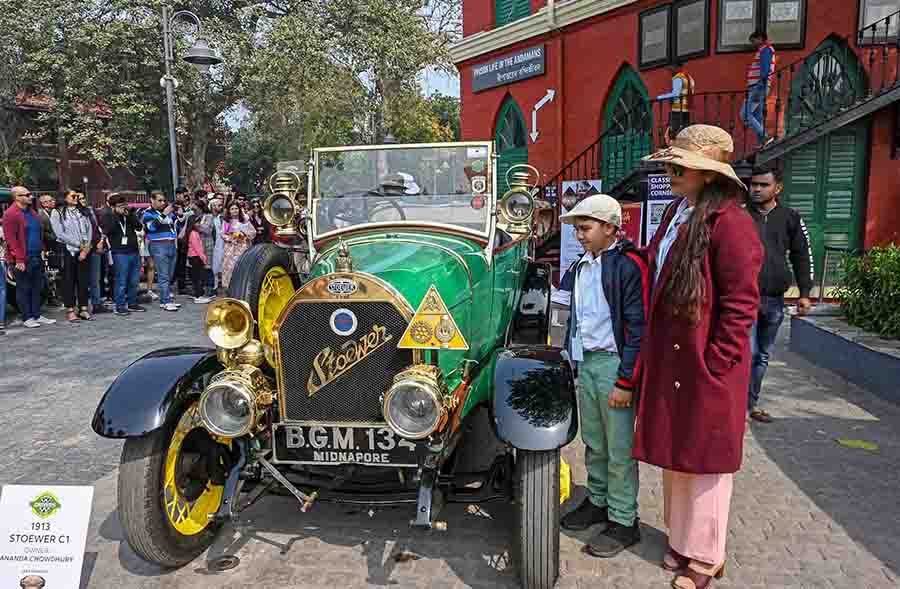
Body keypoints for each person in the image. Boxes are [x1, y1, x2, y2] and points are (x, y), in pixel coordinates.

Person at [635, 125, 763, 588]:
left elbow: (742, 303)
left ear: (708, 174)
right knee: (678, 454)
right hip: (674, 359)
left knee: (706, 461)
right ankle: (682, 540)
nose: (670, 172)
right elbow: (655, 262)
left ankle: (706, 557)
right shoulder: (676, 211)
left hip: (705, 364)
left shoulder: (732, 223)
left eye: (680, 166)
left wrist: (718, 361)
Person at [558, 194, 649, 558]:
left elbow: (638, 327)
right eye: (578, 229)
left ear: (610, 228)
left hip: (614, 365)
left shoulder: (628, 266)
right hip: (589, 363)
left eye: (586, 228)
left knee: (620, 449)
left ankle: (625, 520)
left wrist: (626, 380)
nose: (579, 235)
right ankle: (598, 501)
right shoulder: (582, 266)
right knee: (594, 441)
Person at [746, 164, 813, 423]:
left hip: (774, 300)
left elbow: (801, 256)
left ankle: (751, 404)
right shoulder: (741, 215)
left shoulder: (790, 217)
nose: (757, 189)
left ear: (778, 188)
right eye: (754, 184)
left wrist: (804, 293)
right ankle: (737, 405)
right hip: (745, 299)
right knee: (748, 353)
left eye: (764, 185)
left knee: (763, 354)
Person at [2, 187, 56, 328]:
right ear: (17, 197)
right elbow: (11, 239)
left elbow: (39, 233)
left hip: (36, 255)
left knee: (37, 286)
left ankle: (37, 314)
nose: (30, 196)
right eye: (27, 195)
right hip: (22, 258)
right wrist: (18, 259)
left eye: (30, 194)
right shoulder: (10, 214)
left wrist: (43, 250)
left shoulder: (32, 212)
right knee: (24, 288)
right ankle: (27, 317)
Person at [51, 190, 94, 322]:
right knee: (68, 280)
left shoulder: (83, 211)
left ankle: (83, 308)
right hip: (67, 250)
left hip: (83, 250)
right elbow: (59, 233)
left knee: (83, 280)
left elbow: (89, 229)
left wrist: (86, 248)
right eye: (73, 196)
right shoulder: (57, 212)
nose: (76, 198)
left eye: (77, 196)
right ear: (65, 198)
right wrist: (78, 245)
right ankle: (70, 309)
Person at [101, 194, 146, 316]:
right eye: (120, 206)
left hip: (133, 250)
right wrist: (117, 215)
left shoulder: (129, 215)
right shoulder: (108, 216)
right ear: (113, 207)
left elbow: (139, 226)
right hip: (119, 252)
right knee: (121, 280)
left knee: (134, 280)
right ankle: (120, 305)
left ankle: (132, 303)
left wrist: (130, 215)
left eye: (124, 205)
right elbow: (108, 230)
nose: (123, 207)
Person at [142, 192, 181, 312]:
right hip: (158, 245)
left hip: (171, 244)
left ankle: (166, 297)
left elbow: (177, 223)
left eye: (164, 200)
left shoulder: (166, 213)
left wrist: (178, 214)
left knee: (169, 274)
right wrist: (164, 214)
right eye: (159, 200)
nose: (163, 203)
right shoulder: (148, 213)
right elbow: (151, 227)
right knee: (163, 275)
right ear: (152, 200)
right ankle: (165, 301)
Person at [740, 30, 777, 146]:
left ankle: (765, 137)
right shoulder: (765, 50)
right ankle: (762, 142)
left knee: (745, 114)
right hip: (759, 85)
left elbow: (765, 69)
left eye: (753, 41)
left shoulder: (766, 49)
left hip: (758, 86)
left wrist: (760, 85)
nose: (753, 44)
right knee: (757, 116)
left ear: (760, 38)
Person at [657, 61, 696, 145]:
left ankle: (671, 147)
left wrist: (660, 97)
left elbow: (676, 93)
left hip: (677, 108)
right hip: (686, 108)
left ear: (677, 68)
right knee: (684, 130)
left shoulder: (678, 78)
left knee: (673, 131)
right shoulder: (689, 78)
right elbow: (691, 91)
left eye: (671, 69)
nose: (670, 71)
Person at [220, 203, 256, 289]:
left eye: (236, 208)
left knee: (241, 266)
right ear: (229, 211)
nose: (234, 210)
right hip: (230, 248)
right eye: (232, 209)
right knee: (229, 268)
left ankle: (242, 288)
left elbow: (253, 232)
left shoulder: (244, 221)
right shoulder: (226, 221)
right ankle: (229, 288)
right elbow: (222, 234)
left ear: (239, 210)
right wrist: (230, 238)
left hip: (242, 247)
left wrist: (243, 234)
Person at [185, 215, 212, 304]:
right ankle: (198, 296)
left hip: (194, 257)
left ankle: (198, 295)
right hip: (196, 257)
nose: (199, 224)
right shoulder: (193, 233)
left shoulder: (193, 232)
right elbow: (198, 248)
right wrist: (204, 258)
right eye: (197, 222)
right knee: (198, 278)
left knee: (196, 277)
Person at [210, 197, 226, 294]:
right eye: (218, 205)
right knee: (213, 267)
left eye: (221, 205)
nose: (221, 207)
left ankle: (222, 285)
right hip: (212, 244)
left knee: (222, 265)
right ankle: (214, 286)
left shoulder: (223, 217)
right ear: (212, 206)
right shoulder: (208, 217)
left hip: (222, 244)